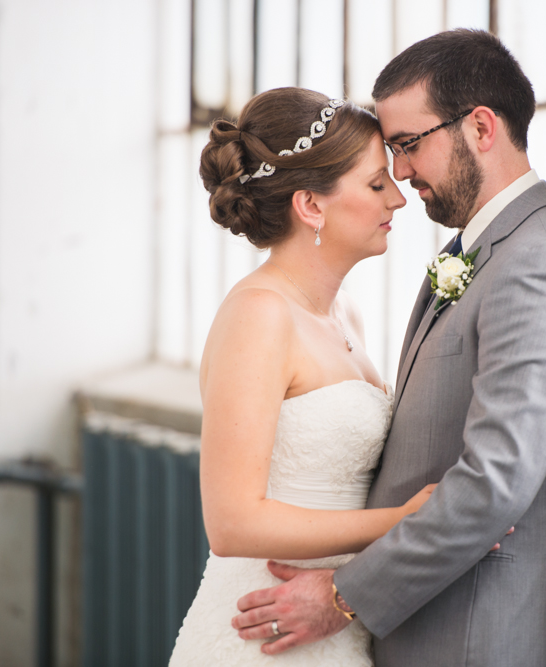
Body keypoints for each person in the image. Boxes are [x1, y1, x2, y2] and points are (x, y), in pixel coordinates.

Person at [232, 29, 546, 667]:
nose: (401, 174)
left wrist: (342, 594)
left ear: (482, 128)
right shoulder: (475, 253)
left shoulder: (538, 267)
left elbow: (493, 483)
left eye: (409, 145)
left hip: (488, 633)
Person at [168, 87, 433, 666]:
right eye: (374, 183)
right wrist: (404, 523)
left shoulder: (347, 314)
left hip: (334, 622)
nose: (398, 199)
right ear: (311, 205)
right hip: (265, 629)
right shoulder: (258, 316)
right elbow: (232, 522)